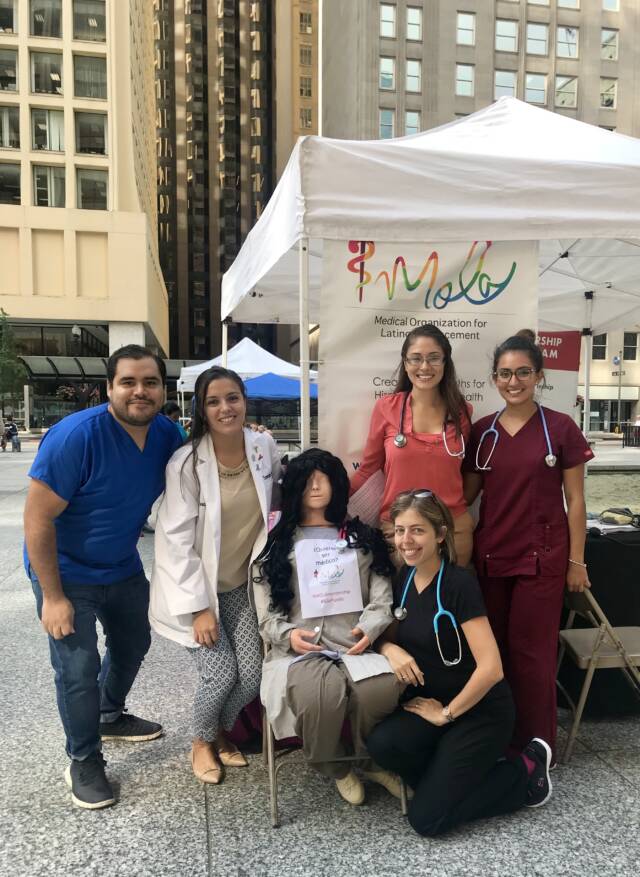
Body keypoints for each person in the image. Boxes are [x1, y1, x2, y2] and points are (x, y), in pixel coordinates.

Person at [23, 345, 183, 810]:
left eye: (150, 382)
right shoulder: (76, 437)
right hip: (65, 570)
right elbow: (37, 520)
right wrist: (53, 597)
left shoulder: (166, 435)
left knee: (135, 643)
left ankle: (108, 712)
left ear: (162, 389)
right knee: (77, 668)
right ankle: (83, 758)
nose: (140, 391)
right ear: (109, 388)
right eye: (128, 382)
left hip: (121, 565)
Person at [366, 489, 553, 837]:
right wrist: (389, 649)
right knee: (381, 744)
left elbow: (491, 668)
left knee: (427, 820)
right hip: (430, 706)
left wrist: (447, 713)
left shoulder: (458, 585)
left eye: (418, 530)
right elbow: (385, 637)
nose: (406, 540)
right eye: (400, 530)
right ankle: (451, 777)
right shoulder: (403, 580)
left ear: (439, 535)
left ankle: (523, 774)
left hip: (478, 712)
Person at [463, 330, 594, 759]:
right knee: (493, 652)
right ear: (494, 379)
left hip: (544, 559)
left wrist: (578, 561)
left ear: (538, 376)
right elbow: (465, 497)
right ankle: (498, 739)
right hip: (491, 556)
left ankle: (536, 747)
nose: (513, 381)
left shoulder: (560, 427)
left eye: (522, 372)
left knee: (532, 655)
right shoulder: (484, 432)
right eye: (504, 373)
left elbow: (575, 500)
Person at [150, 366, 281, 785]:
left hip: (241, 588)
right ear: (201, 411)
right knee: (221, 672)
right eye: (214, 401)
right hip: (197, 591)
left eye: (233, 398)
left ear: (245, 401)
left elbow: (277, 501)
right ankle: (202, 741)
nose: (225, 408)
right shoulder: (186, 463)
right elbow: (175, 541)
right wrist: (200, 609)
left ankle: (219, 730)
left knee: (253, 674)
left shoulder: (262, 447)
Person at [253, 448, 402, 806]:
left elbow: (381, 599)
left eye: (324, 476)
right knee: (319, 696)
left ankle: (370, 760)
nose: (316, 485)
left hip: (354, 645)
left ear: (338, 483)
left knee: (380, 691)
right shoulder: (276, 543)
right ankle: (336, 765)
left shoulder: (362, 538)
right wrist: (288, 635)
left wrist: (369, 629)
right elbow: (266, 613)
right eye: (308, 477)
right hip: (300, 651)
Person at [350, 323, 474, 565]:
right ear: (405, 364)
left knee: (449, 601)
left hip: (451, 531)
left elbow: (466, 471)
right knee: (401, 602)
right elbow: (368, 469)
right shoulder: (387, 408)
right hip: (401, 533)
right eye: (416, 359)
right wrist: (330, 501)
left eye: (434, 358)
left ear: (445, 363)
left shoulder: (462, 412)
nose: (425, 367)